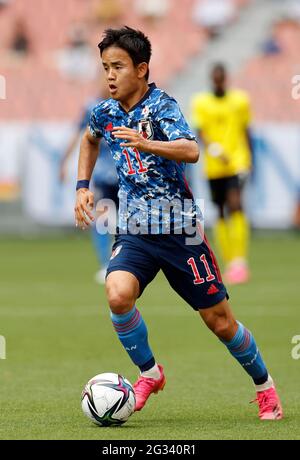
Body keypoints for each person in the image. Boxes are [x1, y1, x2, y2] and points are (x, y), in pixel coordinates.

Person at [75, 27, 283, 420]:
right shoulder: (104, 111)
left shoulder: (163, 107)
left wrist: (146, 142)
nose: (110, 76)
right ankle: (150, 374)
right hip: (136, 231)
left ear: (142, 69)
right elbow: (89, 139)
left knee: (220, 323)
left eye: (117, 66)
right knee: (117, 293)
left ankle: (265, 386)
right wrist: (82, 187)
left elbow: (191, 150)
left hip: (180, 234)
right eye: (105, 67)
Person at [191, 63, 252, 285]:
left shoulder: (240, 100)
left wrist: (249, 159)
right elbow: (200, 132)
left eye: (221, 79)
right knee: (220, 211)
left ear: (225, 79)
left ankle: (240, 260)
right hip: (214, 166)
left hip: (237, 162)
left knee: (236, 204)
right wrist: (215, 150)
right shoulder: (201, 102)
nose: (218, 82)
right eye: (214, 79)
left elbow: (246, 129)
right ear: (211, 80)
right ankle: (228, 261)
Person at [60, 80, 118, 283]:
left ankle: (130, 263)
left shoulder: (125, 104)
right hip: (103, 173)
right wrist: (64, 161)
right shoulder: (93, 107)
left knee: (131, 221)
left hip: (127, 173)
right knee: (102, 218)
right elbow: (79, 135)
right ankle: (105, 264)